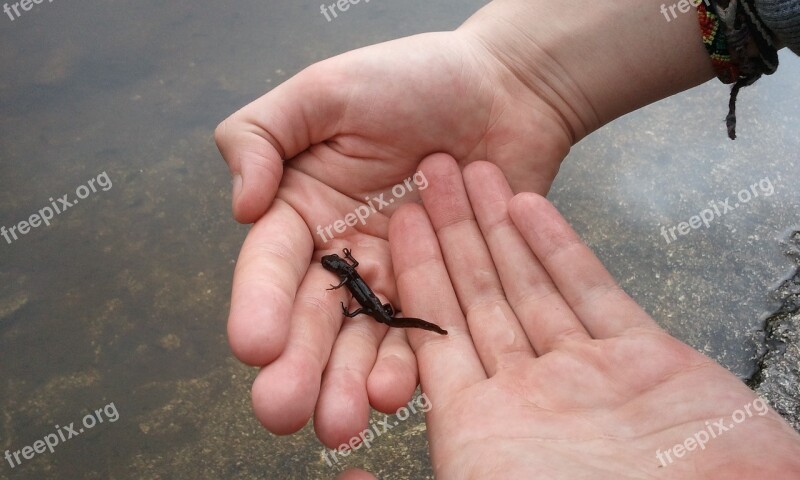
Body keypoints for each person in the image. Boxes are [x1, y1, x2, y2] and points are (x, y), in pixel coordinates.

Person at [214, 0, 800, 476]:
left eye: (340, 272)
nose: (340, 271)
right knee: (387, 317)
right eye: (341, 273)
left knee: (386, 318)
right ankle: (429, 324)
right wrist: (508, 71)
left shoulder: (353, 283)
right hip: (383, 311)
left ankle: (431, 326)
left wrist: (512, 70)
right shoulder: (353, 277)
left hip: (381, 312)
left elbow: (359, 297)